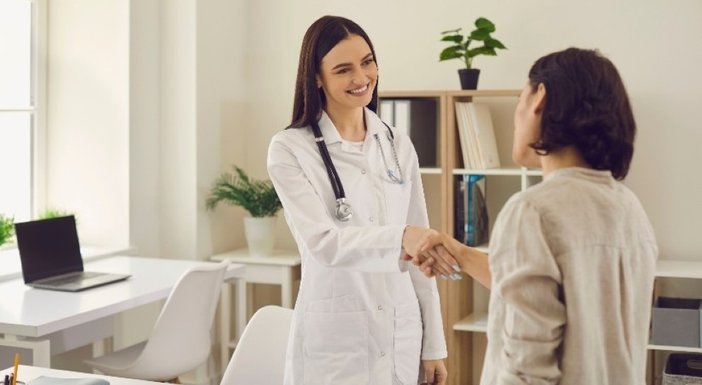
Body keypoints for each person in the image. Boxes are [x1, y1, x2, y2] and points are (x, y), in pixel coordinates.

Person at [406, 48, 658, 384]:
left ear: (540, 98)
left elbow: (527, 371)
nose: (516, 116)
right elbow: (558, 295)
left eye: (521, 99)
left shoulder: (533, 211)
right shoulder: (628, 208)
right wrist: (462, 255)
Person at [267, 15, 455, 385]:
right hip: (336, 346)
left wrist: (434, 344)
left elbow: (422, 249)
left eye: (367, 62)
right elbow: (323, 243)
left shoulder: (396, 143)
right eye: (343, 69)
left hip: (401, 334)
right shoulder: (290, 149)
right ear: (317, 77)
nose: (361, 77)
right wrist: (402, 237)